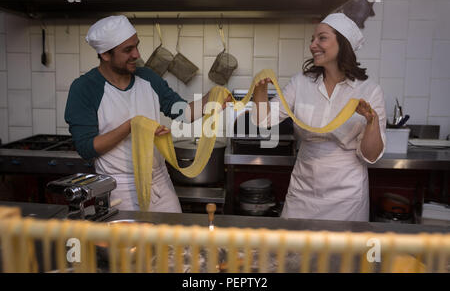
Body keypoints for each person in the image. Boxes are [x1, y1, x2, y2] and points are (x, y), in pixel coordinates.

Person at [65, 15, 230, 212]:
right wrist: (132, 126)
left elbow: (181, 112)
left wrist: (210, 99)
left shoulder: (148, 78)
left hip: (159, 182)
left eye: (136, 46)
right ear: (105, 55)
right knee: (132, 244)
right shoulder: (84, 88)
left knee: (175, 241)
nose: (136, 54)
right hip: (118, 187)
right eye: (128, 50)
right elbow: (87, 148)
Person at [252, 13, 386, 222]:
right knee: (293, 252)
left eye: (321, 38)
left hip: (346, 196)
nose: (313, 45)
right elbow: (263, 121)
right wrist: (259, 90)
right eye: (312, 39)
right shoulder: (300, 83)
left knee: (341, 254)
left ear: (343, 43)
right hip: (303, 191)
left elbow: (371, 156)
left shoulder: (369, 90)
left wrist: (371, 122)